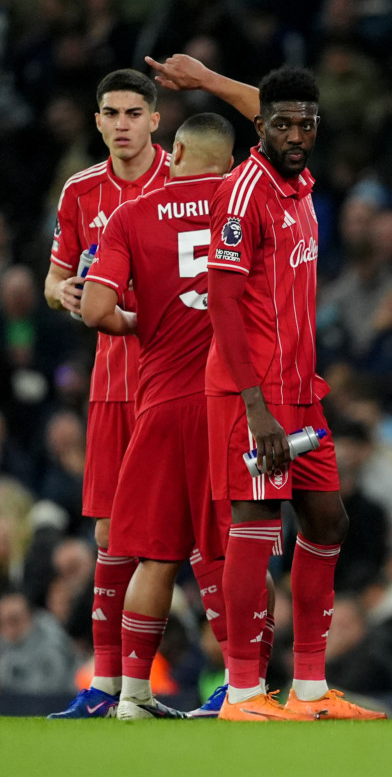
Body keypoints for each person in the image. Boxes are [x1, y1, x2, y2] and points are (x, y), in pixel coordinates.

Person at [205, 66, 382, 721]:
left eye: (306, 122)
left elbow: (274, 107)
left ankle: (309, 687)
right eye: (281, 123)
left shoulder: (301, 186)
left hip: (302, 394)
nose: (295, 133)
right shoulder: (243, 191)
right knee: (254, 523)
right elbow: (222, 306)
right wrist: (255, 408)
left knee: (328, 519)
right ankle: (244, 690)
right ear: (260, 127)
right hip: (250, 395)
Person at [80, 113, 238, 720]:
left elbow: (96, 309)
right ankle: (242, 687)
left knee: (156, 556)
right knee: (230, 552)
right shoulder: (242, 199)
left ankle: (133, 695)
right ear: (227, 161)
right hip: (225, 402)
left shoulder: (130, 214)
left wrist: (139, 323)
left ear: (173, 151)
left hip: (160, 404)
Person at [44, 68, 170, 719]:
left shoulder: (186, 182)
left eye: (132, 112)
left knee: (196, 535)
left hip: (175, 378)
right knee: (108, 532)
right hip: (112, 382)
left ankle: (236, 682)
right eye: (110, 113)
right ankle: (109, 685)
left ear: (155, 118)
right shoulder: (80, 191)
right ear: (97, 121)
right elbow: (55, 278)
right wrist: (62, 293)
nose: (121, 123)